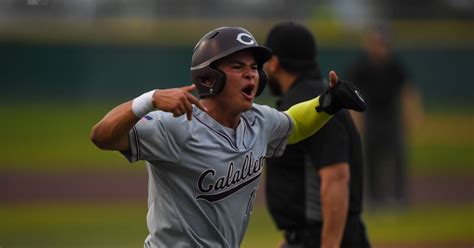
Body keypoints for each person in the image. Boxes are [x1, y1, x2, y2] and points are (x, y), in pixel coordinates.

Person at [90, 26, 366, 248]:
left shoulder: (258, 120)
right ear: (209, 77)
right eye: (237, 66)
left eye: (254, 67)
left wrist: (328, 103)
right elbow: (101, 136)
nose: (252, 74)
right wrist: (148, 100)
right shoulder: (175, 126)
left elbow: (294, 124)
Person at [263, 22, 371, 248]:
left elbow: (336, 177)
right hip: (308, 236)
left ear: (274, 63)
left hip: (325, 237)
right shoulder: (312, 98)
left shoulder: (316, 105)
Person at [346, 25, 423, 208]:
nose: (379, 47)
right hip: (370, 116)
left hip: (391, 116)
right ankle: (375, 199)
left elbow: (408, 90)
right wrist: (356, 121)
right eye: (375, 43)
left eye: (382, 44)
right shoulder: (361, 67)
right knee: (371, 157)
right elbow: (350, 94)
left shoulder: (394, 65)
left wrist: (413, 113)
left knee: (396, 156)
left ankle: (398, 198)